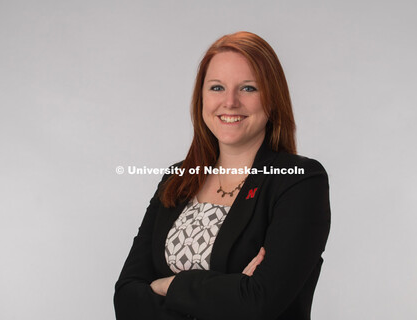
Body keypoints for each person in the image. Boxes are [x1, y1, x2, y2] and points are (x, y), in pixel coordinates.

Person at [114, 31, 331, 320]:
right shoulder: (177, 179)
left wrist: (170, 285)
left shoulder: (299, 181)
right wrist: (231, 291)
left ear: (273, 98)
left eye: (248, 88)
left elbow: (258, 303)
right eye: (216, 87)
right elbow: (127, 297)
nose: (230, 102)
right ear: (201, 97)